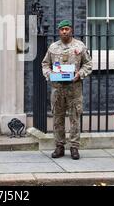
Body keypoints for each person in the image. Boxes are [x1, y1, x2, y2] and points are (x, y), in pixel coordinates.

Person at [42, 20, 92, 160]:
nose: (64, 31)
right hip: (57, 89)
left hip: (74, 89)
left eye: (67, 29)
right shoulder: (53, 47)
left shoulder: (79, 46)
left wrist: (79, 74)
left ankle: (74, 147)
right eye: (62, 29)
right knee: (57, 118)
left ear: (71, 30)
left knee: (74, 118)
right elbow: (45, 64)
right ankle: (59, 146)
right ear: (59, 31)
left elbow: (88, 64)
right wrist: (49, 75)